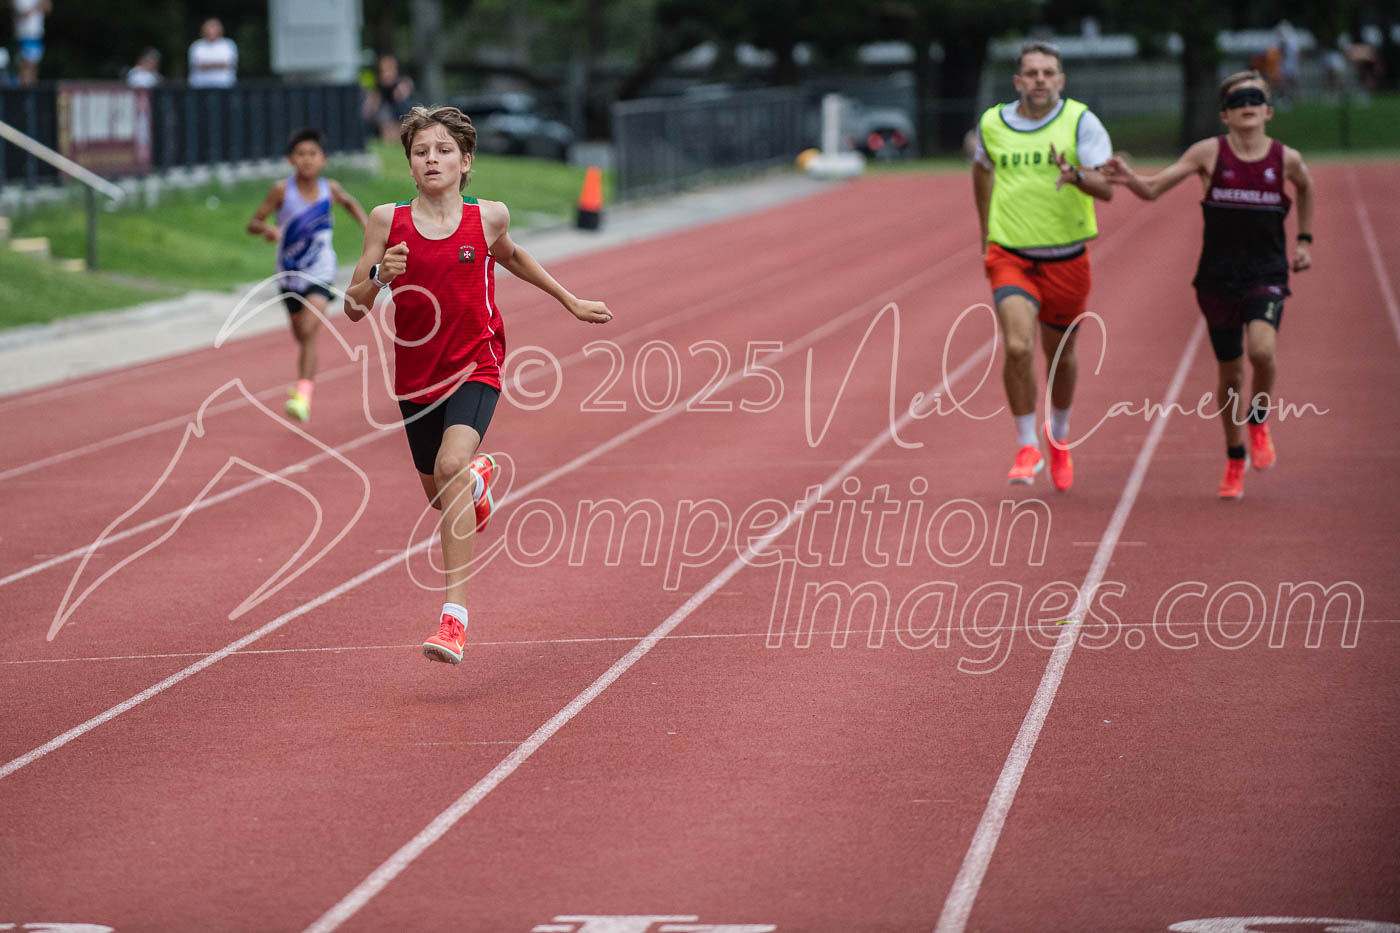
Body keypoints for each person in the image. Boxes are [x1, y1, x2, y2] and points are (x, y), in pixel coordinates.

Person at [342, 105, 613, 665]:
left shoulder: (488, 217)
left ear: (465, 161)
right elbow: (351, 306)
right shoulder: (385, 222)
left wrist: (570, 300)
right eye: (421, 152)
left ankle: (454, 620)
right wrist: (377, 276)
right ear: (409, 165)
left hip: (476, 364)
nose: (432, 160)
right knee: (442, 496)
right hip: (416, 377)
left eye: (443, 151)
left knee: (449, 466)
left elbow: (512, 256)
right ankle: (478, 481)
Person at [1102, 70, 1313, 500]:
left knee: (1262, 351)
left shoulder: (1285, 159)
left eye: (1255, 99)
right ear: (1224, 115)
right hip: (1217, 278)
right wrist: (1128, 176)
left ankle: (1259, 418)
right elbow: (1154, 189)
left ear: (1268, 111)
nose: (1247, 106)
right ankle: (1235, 456)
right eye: (1237, 101)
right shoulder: (1209, 153)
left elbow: (1306, 188)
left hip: (1267, 273)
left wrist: (1305, 240)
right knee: (1230, 373)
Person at [971, 39, 1114, 491]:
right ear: (1018, 81)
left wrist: (1076, 175)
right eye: (1032, 73)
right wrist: (986, 232)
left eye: (1048, 73)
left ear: (1061, 80)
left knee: (1061, 358)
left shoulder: (1081, 121)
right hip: (1011, 254)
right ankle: (1026, 444)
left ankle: (1060, 436)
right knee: (1017, 347)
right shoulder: (993, 122)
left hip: (1066, 257)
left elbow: (1107, 188)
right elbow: (981, 168)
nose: (1040, 80)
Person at [247, 128, 369, 422]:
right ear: (290, 160)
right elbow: (253, 223)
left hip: (320, 271)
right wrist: (267, 229)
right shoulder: (281, 191)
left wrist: (369, 229)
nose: (307, 159)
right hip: (289, 275)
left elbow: (350, 203)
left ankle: (303, 395)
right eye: (300, 154)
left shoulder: (330, 189)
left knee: (309, 329)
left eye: (313, 154)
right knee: (302, 335)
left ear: (323, 159)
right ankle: (303, 388)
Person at [188, 17, 237, 88]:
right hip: (200, 86)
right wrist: (219, 65)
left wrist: (206, 65)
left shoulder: (228, 45)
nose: (211, 30)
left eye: (214, 27)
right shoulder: (197, 46)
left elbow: (230, 65)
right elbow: (195, 65)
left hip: (224, 86)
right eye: (209, 27)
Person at [12, 0, 50, 86]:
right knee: (24, 66)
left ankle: (32, 91)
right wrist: (37, 7)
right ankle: (24, 90)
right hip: (23, 35)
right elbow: (23, 14)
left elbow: (48, 7)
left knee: (33, 66)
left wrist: (36, 7)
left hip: (36, 35)